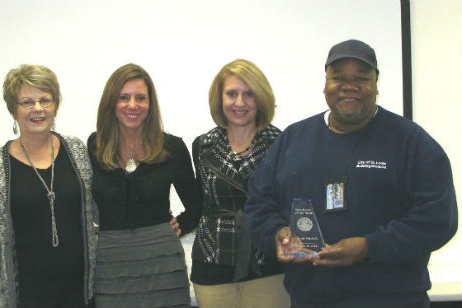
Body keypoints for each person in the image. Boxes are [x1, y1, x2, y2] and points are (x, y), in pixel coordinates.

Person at [245, 39, 458, 307]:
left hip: (394, 300)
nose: (349, 86)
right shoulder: (293, 140)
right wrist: (277, 233)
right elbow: (258, 205)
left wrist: (370, 247)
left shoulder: (411, 142)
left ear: (376, 85)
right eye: (338, 77)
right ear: (325, 85)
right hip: (311, 299)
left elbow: (438, 220)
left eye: (361, 78)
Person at [0, 64, 98, 308]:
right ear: (13, 110)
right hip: (26, 298)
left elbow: (99, 208)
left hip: (81, 295)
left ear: (55, 105)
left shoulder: (77, 151)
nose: (38, 109)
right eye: (27, 102)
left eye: (45, 100)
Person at [88, 63, 202, 308]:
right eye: (124, 97)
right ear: (111, 103)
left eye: (140, 98)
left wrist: (180, 225)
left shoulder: (171, 147)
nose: (132, 105)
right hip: (110, 264)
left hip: (162, 262)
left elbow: (198, 206)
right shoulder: (94, 146)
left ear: (150, 104)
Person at [190, 59, 290, 308]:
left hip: (267, 262)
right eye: (231, 94)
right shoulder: (202, 146)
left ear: (261, 98)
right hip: (212, 260)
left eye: (249, 94)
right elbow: (199, 203)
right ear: (219, 98)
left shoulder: (282, 144)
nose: (240, 103)